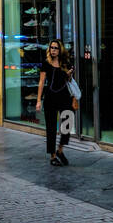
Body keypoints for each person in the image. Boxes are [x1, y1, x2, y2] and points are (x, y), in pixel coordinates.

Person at [35, 39, 76, 167]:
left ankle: (60, 150)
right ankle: (53, 156)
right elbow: (41, 82)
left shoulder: (65, 63)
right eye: (51, 48)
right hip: (50, 98)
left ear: (60, 50)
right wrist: (38, 100)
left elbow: (69, 81)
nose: (53, 50)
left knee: (67, 124)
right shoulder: (46, 63)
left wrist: (69, 74)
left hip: (64, 97)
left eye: (55, 48)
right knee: (51, 128)